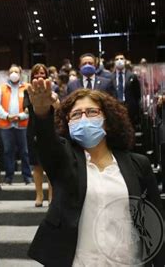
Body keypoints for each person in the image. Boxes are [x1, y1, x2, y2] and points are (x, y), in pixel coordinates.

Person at [26, 82, 164, 266]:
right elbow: (46, 142)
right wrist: (42, 112)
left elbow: (154, 222)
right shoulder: (64, 160)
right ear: (68, 123)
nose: (84, 118)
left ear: (107, 121)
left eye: (91, 112)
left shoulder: (137, 164)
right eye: (76, 114)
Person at [23, 64, 57, 207]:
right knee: (36, 165)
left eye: (42, 73)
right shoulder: (28, 90)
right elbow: (25, 108)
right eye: (36, 74)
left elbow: (57, 108)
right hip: (33, 127)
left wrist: (52, 99)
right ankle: (39, 195)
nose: (39, 76)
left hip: (50, 127)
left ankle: (51, 196)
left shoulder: (53, 88)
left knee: (50, 164)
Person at [0, 64, 32, 185]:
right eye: (11, 72)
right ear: (8, 74)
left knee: (25, 151)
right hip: (6, 124)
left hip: (23, 124)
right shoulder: (1, 88)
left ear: (20, 74)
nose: (13, 74)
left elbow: (30, 107)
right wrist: (6, 116)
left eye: (16, 72)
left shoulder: (27, 87)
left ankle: (27, 177)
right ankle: (8, 177)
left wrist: (21, 116)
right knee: (8, 151)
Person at [112, 52, 141, 126]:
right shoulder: (110, 77)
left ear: (125, 61)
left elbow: (137, 94)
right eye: (117, 59)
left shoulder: (132, 76)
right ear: (114, 62)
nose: (119, 60)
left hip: (129, 108)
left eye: (121, 58)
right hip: (115, 108)